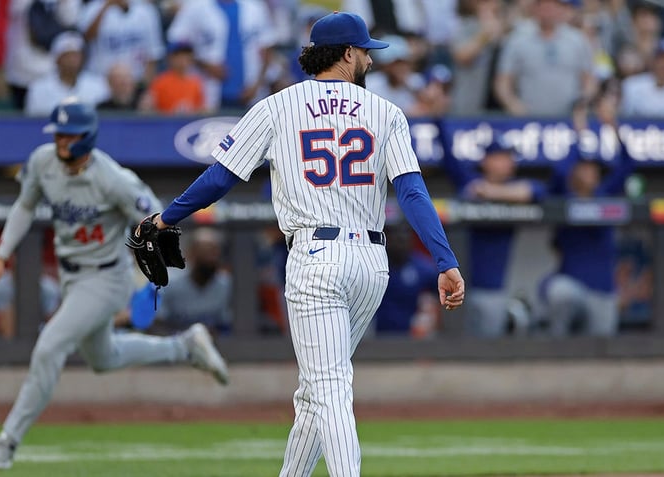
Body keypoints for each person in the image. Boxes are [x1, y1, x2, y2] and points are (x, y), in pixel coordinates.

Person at [139, 12, 464, 477]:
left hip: (316, 257)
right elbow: (411, 192)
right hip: (371, 265)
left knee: (328, 384)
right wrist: (444, 259)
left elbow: (220, 178)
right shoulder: (386, 112)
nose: (369, 59)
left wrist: (164, 217)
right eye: (366, 50)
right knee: (316, 390)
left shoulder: (277, 106)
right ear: (348, 53)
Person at [0, 99, 229, 470]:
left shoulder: (114, 178)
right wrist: (0, 255)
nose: (61, 142)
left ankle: (6, 443)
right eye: (58, 134)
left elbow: (155, 219)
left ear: (87, 136)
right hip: (72, 276)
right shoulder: (43, 162)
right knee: (103, 359)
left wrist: (149, 276)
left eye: (69, 135)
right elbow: (25, 206)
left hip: (107, 277)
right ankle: (184, 347)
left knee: (49, 347)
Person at [436, 118, 546, 337]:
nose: (509, 163)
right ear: (487, 160)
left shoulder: (512, 188)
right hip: (457, 284)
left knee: (487, 351)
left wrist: (491, 193)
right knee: (456, 346)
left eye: (510, 158)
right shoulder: (470, 183)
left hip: (494, 290)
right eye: (503, 157)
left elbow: (537, 192)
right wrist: (439, 118)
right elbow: (450, 160)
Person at [540, 91, 634, 337]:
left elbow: (629, 164)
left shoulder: (604, 193)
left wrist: (612, 125)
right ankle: (555, 350)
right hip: (572, 286)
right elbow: (559, 172)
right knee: (558, 292)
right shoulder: (563, 193)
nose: (589, 173)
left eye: (593, 169)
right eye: (583, 167)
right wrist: (578, 135)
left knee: (604, 344)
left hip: (603, 291)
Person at [494, 0, 595, 116]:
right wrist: (512, 104)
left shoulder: (577, 40)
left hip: (569, 120)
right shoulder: (517, 40)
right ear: (534, 8)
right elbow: (503, 82)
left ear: (559, 8)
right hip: (529, 121)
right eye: (543, 6)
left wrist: (583, 102)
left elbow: (589, 79)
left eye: (552, 6)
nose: (548, 12)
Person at [153, 227, 232, 334]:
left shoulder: (226, 285)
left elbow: (229, 325)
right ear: (191, 254)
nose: (212, 259)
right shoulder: (170, 284)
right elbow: (156, 323)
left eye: (215, 252)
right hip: (177, 343)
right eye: (206, 252)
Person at [24, 31, 110, 117]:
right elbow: (33, 123)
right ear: (57, 59)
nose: (72, 60)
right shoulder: (38, 88)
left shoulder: (98, 85)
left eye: (76, 55)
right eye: (67, 56)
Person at [139, 42, 205, 114]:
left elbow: (200, 109)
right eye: (179, 55)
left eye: (186, 55)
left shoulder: (196, 83)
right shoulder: (160, 82)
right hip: (166, 124)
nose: (183, 58)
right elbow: (148, 107)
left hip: (188, 124)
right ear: (170, 58)